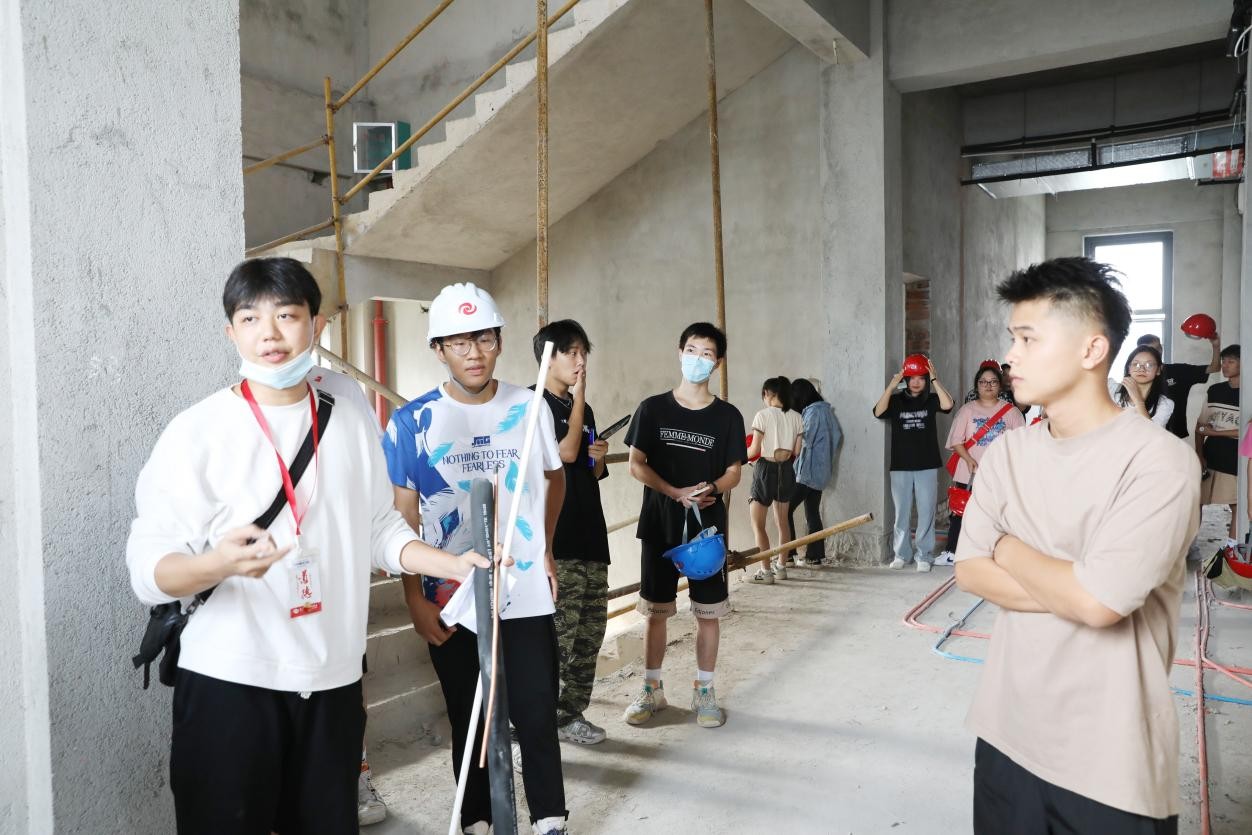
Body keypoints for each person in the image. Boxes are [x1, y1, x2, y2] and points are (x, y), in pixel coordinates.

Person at [125, 257, 488, 834]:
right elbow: (148, 570)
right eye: (250, 319)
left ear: (316, 325)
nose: (269, 334)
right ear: (231, 332)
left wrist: (451, 562)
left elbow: (379, 526)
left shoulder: (347, 411)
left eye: (286, 316)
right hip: (229, 681)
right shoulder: (197, 431)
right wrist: (216, 564)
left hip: (332, 679)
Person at [955, 256, 1199, 834]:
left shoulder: (1159, 461)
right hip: (1005, 736)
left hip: (1109, 762)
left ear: (1092, 349)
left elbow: (1098, 604)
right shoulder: (1008, 453)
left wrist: (1007, 548)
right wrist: (1080, 583)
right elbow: (969, 571)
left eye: (1028, 339)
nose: (1010, 356)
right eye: (1012, 338)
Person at [382, 282, 569, 835]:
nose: (474, 353)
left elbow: (554, 480)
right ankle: (479, 820)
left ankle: (550, 819)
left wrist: (546, 550)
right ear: (438, 349)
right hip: (451, 597)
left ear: (500, 342)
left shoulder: (530, 408)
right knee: (469, 714)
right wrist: (414, 600)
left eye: (484, 339)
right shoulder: (411, 423)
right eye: (459, 342)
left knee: (536, 710)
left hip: (524, 588)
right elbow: (402, 518)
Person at [622, 322, 746, 729]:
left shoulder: (727, 416)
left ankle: (704, 690)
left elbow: (734, 472)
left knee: (708, 613)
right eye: (692, 350)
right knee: (655, 611)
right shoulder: (652, 409)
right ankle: (651, 689)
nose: (698, 359)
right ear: (680, 353)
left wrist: (713, 487)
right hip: (659, 524)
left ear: (717, 363)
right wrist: (674, 492)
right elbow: (636, 465)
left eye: (707, 354)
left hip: (706, 532)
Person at [306, 364, 392, 826]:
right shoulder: (234, 402)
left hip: (337, 575)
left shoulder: (342, 389)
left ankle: (357, 777)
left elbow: (373, 470)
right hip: (278, 581)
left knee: (347, 683)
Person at [532, 319, 612, 747]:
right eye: (572, 352)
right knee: (556, 640)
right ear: (548, 357)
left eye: (584, 352)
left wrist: (598, 456)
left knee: (588, 636)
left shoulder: (586, 410)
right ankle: (533, 726)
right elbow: (564, 453)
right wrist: (580, 398)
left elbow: (588, 469)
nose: (581, 361)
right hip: (556, 542)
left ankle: (570, 716)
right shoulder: (532, 404)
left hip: (591, 536)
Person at [873, 354, 955, 572]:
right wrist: (891, 386)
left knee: (926, 512)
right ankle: (902, 554)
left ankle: (924, 555)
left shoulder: (931, 399)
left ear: (926, 379)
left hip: (927, 464)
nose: (916, 382)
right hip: (900, 465)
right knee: (902, 513)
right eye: (912, 378)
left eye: (921, 378)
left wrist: (935, 379)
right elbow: (878, 412)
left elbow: (948, 404)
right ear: (906, 379)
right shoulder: (896, 400)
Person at [938, 363, 1025, 565]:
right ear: (977, 385)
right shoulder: (967, 410)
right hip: (968, 472)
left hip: (998, 474)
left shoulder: (1012, 412)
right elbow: (956, 440)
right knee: (960, 511)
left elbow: (1021, 443)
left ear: (1000, 385)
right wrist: (968, 459)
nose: (988, 385)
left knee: (996, 515)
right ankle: (952, 551)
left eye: (993, 382)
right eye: (983, 382)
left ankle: (992, 553)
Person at [747, 377, 804, 584]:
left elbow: (754, 449)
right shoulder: (797, 417)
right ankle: (781, 568)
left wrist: (736, 457)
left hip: (765, 468)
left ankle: (765, 571)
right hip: (786, 469)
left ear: (767, 394)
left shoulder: (762, 415)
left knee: (758, 524)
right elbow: (796, 451)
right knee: (782, 522)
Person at [786, 378, 842, 566]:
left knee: (785, 510)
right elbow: (837, 437)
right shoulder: (826, 411)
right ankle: (815, 556)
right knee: (812, 513)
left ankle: (788, 554)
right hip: (821, 472)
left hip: (807, 472)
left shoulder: (813, 412)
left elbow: (805, 439)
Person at [1139, 326, 1220, 439]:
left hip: (1175, 434)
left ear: (1161, 348)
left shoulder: (1178, 371)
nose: (1156, 352)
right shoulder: (1137, 376)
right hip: (1146, 434)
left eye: (1158, 348)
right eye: (1150, 350)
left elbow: (1215, 368)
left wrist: (1216, 346)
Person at [1196, 344, 1241, 543]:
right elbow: (1200, 427)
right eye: (1223, 361)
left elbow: (1246, 432)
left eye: (1231, 361)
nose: (1225, 365)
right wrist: (1199, 454)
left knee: (1236, 505)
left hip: (1235, 459)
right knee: (1197, 501)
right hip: (1212, 455)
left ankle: (1232, 548)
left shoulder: (1248, 393)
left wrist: (1214, 432)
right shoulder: (1215, 390)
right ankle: (1191, 546)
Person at [1108, 345, 1173, 428]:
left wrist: (1138, 400)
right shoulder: (1111, 388)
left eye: (1149, 365)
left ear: (1158, 370)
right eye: (1136, 364)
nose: (1142, 369)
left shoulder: (1165, 404)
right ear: (1129, 368)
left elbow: (1152, 433)